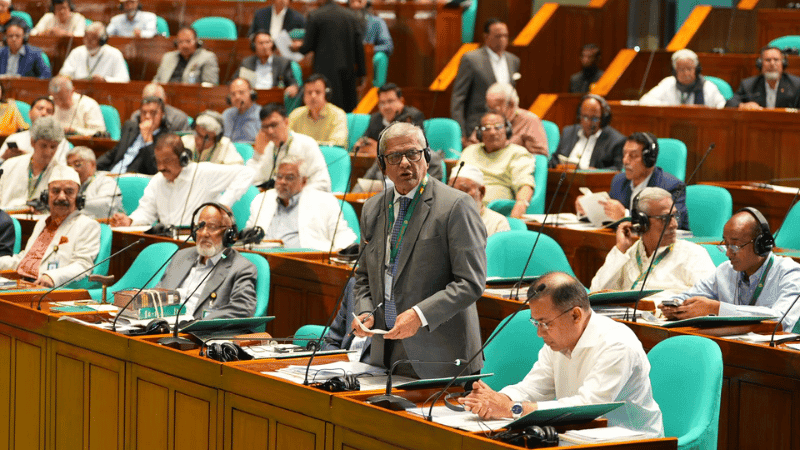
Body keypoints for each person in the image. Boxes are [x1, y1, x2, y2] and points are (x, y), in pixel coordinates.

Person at [351, 122, 486, 379]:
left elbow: (470, 282)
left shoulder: (456, 206)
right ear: (382, 165)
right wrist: (366, 310)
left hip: (442, 357)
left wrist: (419, 315)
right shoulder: (372, 208)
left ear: (426, 157)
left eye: (413, 153)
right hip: (387, 351)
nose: (405, 163)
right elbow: (363, 276)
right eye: (394, 156)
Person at [459, 272, 664, 438]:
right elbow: (534, 387)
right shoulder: (558, 342)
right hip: (581, 434)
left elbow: (588, 406)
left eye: (545, 323)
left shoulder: (617, 344)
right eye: (536, 323)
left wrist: (511, 408)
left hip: (633, 440)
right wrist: (496, 399)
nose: (540, 333)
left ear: (575, 314)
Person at [661, 208, 800, 332]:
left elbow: (782, 320)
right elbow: (686, 297)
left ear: (761, 245)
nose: (728, 254)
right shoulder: (725, 270)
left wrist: (718, 309)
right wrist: (675, 306)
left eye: (735, 246)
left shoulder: (791, 273)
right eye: (726, 245)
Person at [590, 187, 715, 303]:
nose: (674, 225)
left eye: (675, 216)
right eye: (665, 218)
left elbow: (710, 297)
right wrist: (620, 249)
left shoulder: (693, 254)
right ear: (642, 222)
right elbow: (596, 292)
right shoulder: (629, 254)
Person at [110, 134, 254, 227]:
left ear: (183, 159)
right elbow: (146, 212)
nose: (161, 167)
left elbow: (247, 173)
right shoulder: (158, 180)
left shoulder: (202, 172)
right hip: (166, 241)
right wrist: (130, 221)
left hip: (197, 241)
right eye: (158, 161)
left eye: (167, 161)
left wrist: (223, 204)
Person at [0, 165, 101, 287]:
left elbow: (83, 265)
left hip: (51, 289)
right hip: (23, 283)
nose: (62, 197)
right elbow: (26, 258)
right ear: (46, 196)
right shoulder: (42, 222)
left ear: (79, 198)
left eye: (69, 192)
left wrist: (52, 276)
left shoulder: (87, 225)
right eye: (56, 191)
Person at [155, 203, 258, 320]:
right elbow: (159, 292)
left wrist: (198, 323)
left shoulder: (242, 268)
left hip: (198, 333)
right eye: (200, 226)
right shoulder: (181, 256)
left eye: (212, 227)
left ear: (229, 234)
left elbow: (243, 309)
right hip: (163, 326)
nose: (204, 233)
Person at [575, 132, 688, 230]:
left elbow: (676, 222)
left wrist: (625, 215)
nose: (625, 161)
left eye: (633, 156)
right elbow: (609, 217)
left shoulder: (671, 186)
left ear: (649, 159)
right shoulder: (619, 181)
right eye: (624, 154)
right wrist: (588, 210)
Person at [247, 155, 356, 250]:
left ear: (303, 181)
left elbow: (341, 235)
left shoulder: (324, 202)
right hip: (265, 257)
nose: (282, 182)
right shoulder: (262, 200)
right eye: (279, 177)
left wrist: (344, 251)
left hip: (303, 263)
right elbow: (249, 235)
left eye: (289, 178)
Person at [457, 112, 536, 218]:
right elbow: (455, 182)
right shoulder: (470, 151)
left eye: (498, 127)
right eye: (487, 128)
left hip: (496, 211)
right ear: (479, 133)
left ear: (507, 130)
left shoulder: (517, 153)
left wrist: (520, 206)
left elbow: (525, 185)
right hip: (465, 206)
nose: (492, 133)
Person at [451, 18, 520, 139]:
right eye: (498, 36)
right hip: (478, 125)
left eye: (505, 36)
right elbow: (458, 98)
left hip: (504, 127)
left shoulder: (513, 60)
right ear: (486, 36)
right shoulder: (471, 59)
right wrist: (461, 133)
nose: (503, 40)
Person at [296, 0, 365, 112]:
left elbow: (307, 47)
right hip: (348, 70)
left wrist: (296, 47)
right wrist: (362, 73)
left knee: (326, 110)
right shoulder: (351, 15)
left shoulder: (315, 15)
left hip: (324, 72)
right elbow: (359, 47)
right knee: (347, 109)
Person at [248, 102, 331, 192]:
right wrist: (258, 153)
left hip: (304, 200)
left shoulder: (306, 144)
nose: (270, 131)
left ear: (286, 122)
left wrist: (295, 191)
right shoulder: (269, 148)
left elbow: (324, 183)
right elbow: (252, 180)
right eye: (265, 126)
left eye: (273, 125)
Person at [466, 83, 548, 155]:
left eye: (494, 109)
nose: (491, 113)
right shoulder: (489, 119)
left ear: (511, 105)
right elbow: (472, 145)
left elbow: (539, 155)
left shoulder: (530, 120)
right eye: (489, 108)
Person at [0, 116, 63, 210]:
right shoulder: (10, 165)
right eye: (43, 145)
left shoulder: (62, 173)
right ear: (33, 142)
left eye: (53, 147)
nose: (48, 152)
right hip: (9, 219)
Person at [96, 96, 169, 175]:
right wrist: (94, 166)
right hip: (112, 174)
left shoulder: (165, 138)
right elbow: (114, 153)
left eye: (153, 113)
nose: (147, 116)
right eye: (144, 112)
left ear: (162, 115)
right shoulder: (130, 127)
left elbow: (155, 170)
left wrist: (148, 140)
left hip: (133, 181)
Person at [550, 94, 624, 170]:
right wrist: (558, 166)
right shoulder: (568, 132)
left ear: (603, 119)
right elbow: (554, 161)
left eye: (594, 119)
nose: (589, 123)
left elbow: (618, 169)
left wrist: (597, 172)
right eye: (585, 117)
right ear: (579, 115)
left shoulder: (616, 141)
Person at [639, 49, 725, 108]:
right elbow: (645, 101)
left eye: (689, 69)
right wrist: (671, 107)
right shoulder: (667, 83)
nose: (686, 73)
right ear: (675, 71)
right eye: (681, 69)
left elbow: (722, 106)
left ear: (696, 70)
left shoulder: (708, 87)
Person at [356, 83, 424, 157]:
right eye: (382, 103)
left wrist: (378, 149)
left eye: (390, 101)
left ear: (401, 101)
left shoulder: (412, 116)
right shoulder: (375, 118)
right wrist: (362, 145)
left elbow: (415, 147)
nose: (386, 107)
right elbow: (364, 142)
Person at [0, 97, 70, 165]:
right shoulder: (14, 138)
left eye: (49, 111)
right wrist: (4, 157)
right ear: (30, 113)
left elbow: (61, 167)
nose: (44, 113)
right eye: (40, 109)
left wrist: (27, 157)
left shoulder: (60, 142)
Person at [726, 46, 800, 110]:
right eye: (768, 60)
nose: (772, 64)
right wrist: (743, 105)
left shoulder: (796, 85)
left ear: (783, 63)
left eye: (776, 60)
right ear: (760, 64)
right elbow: (730, 103)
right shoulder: (748, 85)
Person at [287, 74, 348, 148]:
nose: (313, 96)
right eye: (309, 92)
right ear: (303, 95)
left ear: (326, 94)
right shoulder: (296, 114)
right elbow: (285, 140)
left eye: (318, 92)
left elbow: (336, 146)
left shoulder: (338, 114)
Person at [450, 164, 510, 237]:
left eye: (463, 191)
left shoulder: (498, 223)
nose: (456, 197)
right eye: (451, 191)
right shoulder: (442, 218)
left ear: (481, 192)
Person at [59, 22, 130, 83]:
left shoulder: (114, 54)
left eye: (93, 38)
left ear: (102, 40)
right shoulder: (77, 52)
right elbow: (64, 74)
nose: (88, 42)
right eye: (86, 37)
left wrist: (104, 80)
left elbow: (124, 79)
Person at [234, 30, 298, 97]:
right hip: (251, 99)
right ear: (254, 46)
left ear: (272, 44)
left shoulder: (283, 63)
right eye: (261, 43)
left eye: (267, 42)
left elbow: (293, 84)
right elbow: (234, 81)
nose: (265, 46)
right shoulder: (247, 63)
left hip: (273, 99)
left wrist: (293, 88)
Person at [66, 146, 122, 219]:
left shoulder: (105, 181)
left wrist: (73, 204)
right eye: (69, 166)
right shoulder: (68, 185)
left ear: (92, 165)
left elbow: (106, 205)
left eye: (77, 164)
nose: (72, 169)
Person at [324, 277, 372, 362]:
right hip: (342, 367)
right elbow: (331, 339)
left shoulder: (395, 297)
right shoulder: (355, 283)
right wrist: (336, 365)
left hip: (372, 372)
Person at [153, 27, 219, 86]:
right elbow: (157, 80)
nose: (184, 45)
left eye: (188, 41)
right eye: (181, 42)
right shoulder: (168, 57)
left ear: (197, 42)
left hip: (191, 96)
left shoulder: (207, 57)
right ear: (176, 43)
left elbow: (209, 84)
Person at [222, 78, 261, 143]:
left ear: (251, 94)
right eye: (233, 94)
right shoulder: (227, 114)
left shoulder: (261, 113)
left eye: (241, 92)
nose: (237, 97)